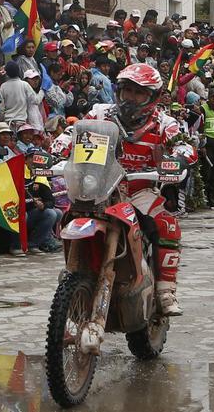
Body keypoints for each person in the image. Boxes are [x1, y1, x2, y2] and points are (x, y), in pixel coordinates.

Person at [84, 64, 196, 316]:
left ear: (153, 97)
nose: (131, 98)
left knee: (167, 224)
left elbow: (185, 145)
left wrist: (180, 157)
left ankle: (165, 291)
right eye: (127, 91)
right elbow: (72, 133)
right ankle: (79, 278)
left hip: (140, 191)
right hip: (99, 189)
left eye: (139, 93)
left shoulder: (165, 123)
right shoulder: (100, 114)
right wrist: (52, 149)